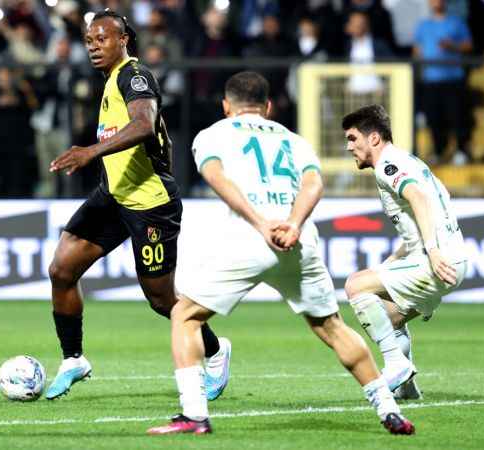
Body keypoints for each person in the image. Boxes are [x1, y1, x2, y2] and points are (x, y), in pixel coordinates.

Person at [147, 72, 415, 436]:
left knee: (184, 315)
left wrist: (261, 223)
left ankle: (194, 415)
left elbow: (216, 177)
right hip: (297, 241)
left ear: (226, 106)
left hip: (251, 238)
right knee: (332, 327)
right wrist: (293, 223)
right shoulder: (293, 139)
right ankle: (389, 410)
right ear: (268, 106)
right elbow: (313, 183)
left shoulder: (213, 134)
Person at [46, 10, 230, 401]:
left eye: (102, 39)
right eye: (89, 41)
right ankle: (73, 358)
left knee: (161, 300)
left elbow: (144, 124)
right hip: (114, 194)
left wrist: (90, 151)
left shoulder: (134, 75)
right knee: (62, 269)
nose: (94, 47)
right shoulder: (111, 79)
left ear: (124, 39)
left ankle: (215, 351)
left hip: (150, 202)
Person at [342, 104, 467, 400]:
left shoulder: (388, 166)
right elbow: (434, 204)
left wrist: (432, 251)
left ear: (374, 138)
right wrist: (394, 260)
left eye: (353, 138)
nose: (349, 147)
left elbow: (418, 198)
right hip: (451, 257)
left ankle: (396, 364)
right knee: (388, 317)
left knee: (355, 285)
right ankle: (407, 387)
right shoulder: (410, 161)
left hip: (436, 261)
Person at [413, 0, 473, 164]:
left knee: (456, 116)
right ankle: (439, 151)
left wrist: (452, 46)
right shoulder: (423, 25)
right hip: (431, 80)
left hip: (453, 78)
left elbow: (468, 45)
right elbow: (417, 49)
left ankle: (461, 150)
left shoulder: (456, 22)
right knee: (434, 117)